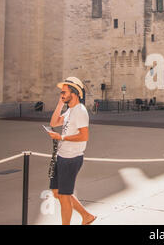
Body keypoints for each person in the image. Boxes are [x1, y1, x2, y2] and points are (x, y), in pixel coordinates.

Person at [46, 77, 97, 225]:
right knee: (57, 192)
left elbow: (84, 136)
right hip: (62, 156)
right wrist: (60, 103)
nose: (61, 94)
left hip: (71, 159)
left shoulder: (80, 111)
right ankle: (86, 216)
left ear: (73, 93)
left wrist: (61, 137)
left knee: (64, 195)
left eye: (64, 92)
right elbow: (54, 122)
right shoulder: (70, 110)